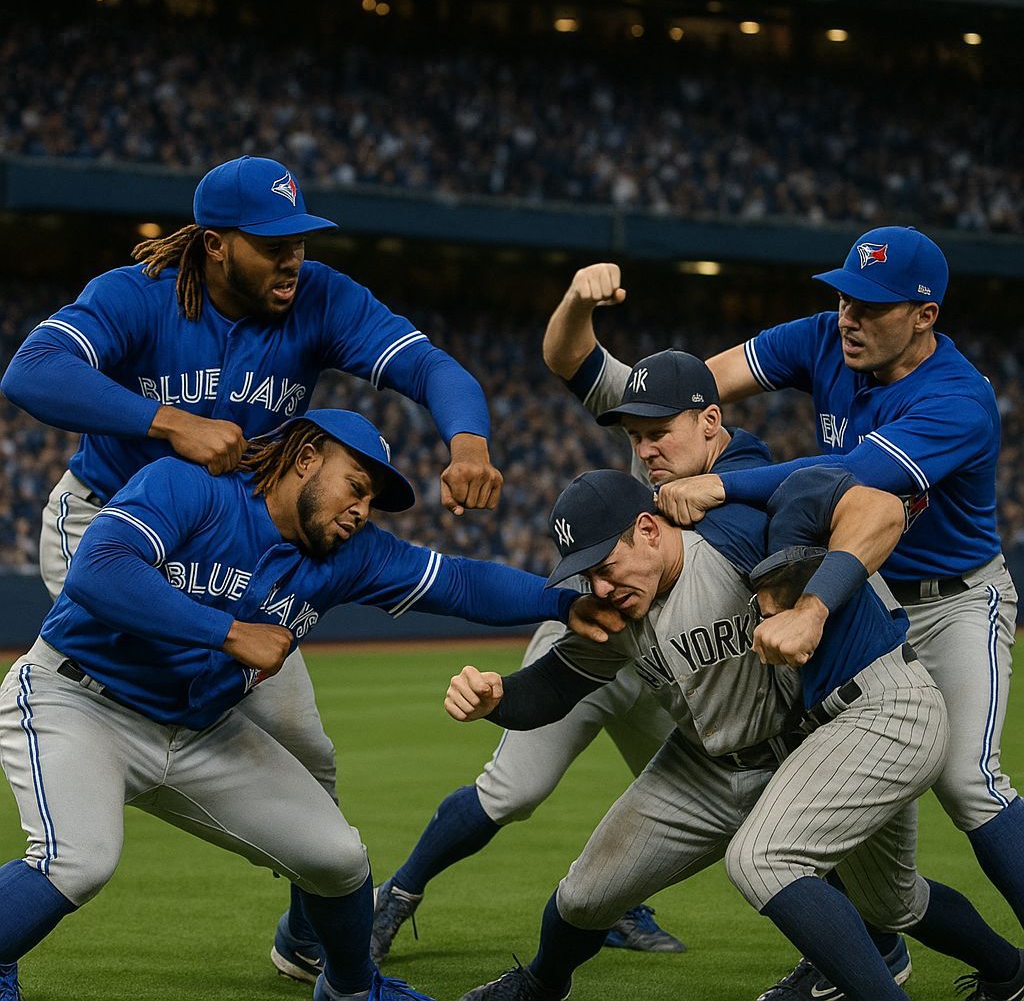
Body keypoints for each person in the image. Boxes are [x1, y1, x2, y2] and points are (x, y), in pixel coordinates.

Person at [0, 154, 504, 980]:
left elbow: (428, 366)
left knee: (306, 746)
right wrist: (166, 421)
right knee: (131, 679)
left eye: (298, 240)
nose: (292, 258)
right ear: (215, 244)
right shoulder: (139, 295)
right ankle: (60, 830)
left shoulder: (320, 297)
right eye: (272, 244)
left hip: (234, 540)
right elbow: (31, 371)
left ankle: (305, 937)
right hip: (111, 517)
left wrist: (468, 437)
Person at [0, 409, 618, 1001]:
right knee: (77, 862)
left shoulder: (351, 553)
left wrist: (563, 603)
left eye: (371, 500)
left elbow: (459, 581)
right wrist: (228, 632)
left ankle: (350, 989)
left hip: (195, 731)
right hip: (79, 700)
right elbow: (98, 568)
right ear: (305, 458)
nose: (362, 510)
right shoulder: (190, 486)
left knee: (338, 860)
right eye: (355, 486)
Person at [446, 467, 1024, 1001]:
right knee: (583, 896)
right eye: (586, 575)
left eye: (605, 565)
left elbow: (851, 510)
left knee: (889, 902)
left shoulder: (735, 540)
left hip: (814, 743)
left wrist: (813, 603)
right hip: (705, 767)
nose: (598, 586)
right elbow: (552, 687)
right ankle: (540, 984)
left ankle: (1007, 971)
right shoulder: (616, 608)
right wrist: (497, 699)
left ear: (647, 529)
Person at [652, 227, 1022, 1000]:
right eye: (846, 296)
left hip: (954, 600)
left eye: (873, 306)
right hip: (865, 594)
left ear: (925, 315)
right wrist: (647, 418)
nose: (850, 316)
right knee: (830, 782)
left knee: (969, 784)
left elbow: (848, 475)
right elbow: (695, 388)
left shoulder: (957, 398)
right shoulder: (823, 335)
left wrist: (722, 483)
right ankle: (869, 950)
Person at [370, 293, 765, 963]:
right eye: (635, 433)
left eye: (657, 431)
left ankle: (618, 903)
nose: (644, 445)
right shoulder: (653, 430)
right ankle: (398, 894)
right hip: (597, 630)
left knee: (726, 792)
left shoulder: (750, 475)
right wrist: (580, 299)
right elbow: (568, 355)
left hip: (674, 663)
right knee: (513, 790)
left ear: (707, 422)